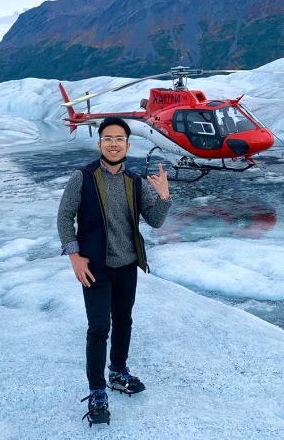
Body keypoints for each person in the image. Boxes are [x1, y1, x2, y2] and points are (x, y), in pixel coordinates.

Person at [57, 116, 171, 426]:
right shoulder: (82, 178)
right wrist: (74, 256)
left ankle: (118, 372)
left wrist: (163, 197)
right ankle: (97, 390)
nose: (113, 143)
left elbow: (156, 220)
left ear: (127, 144)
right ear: (100, 143)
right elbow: (65, 218)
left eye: (119, 139)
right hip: (94, 266)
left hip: (126, 265)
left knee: (123, 320)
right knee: (98, 328)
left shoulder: (134, 181)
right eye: (108, 138)